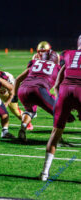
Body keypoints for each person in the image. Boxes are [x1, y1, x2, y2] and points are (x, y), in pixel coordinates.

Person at [40, 35, 81, 181]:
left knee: (55, 134)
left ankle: (44, 173)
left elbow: (57, 85)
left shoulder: (68, 54)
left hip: (64, 92)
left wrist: (64, 102)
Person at [13, 51, 74, 142]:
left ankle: (22, 129)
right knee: (64, 114)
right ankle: (57, 139)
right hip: (39, 90)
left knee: (30, 111)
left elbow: (17, 79)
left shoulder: (34, 63)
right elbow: (63, 86)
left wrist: (14, 96)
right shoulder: (57, 68)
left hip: (23, 90)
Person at [0, 65, 33, 130]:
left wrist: (7, 102)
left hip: (8, 93)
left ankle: (27, 122)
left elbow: (13, 90)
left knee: (15, 111)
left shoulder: (7, 77)